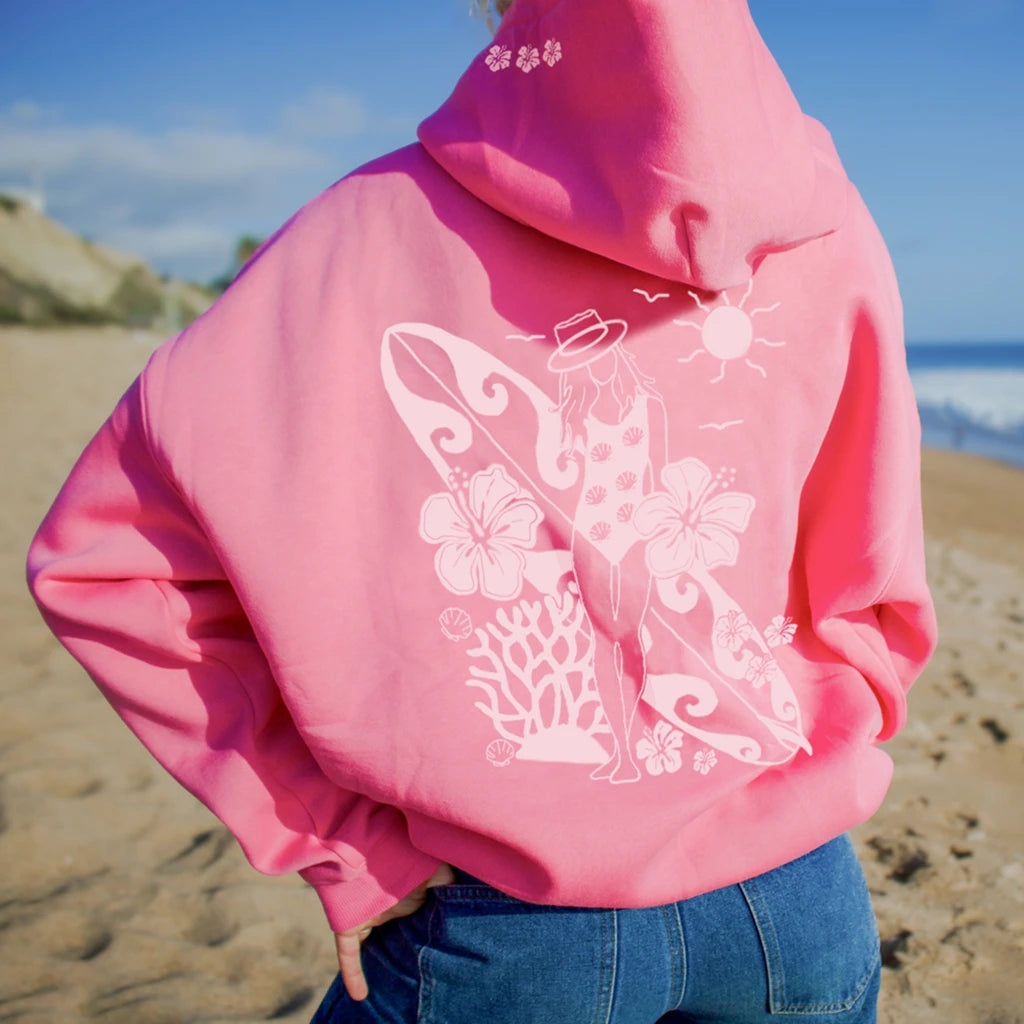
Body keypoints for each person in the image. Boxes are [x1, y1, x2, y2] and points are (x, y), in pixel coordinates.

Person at [26, 0, 937, 1021]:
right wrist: (823, 731)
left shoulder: (352, 232)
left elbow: (107, 562)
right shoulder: (826, 220)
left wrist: (336, 839)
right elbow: (878, 580)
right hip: (797, 894)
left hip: (508, 929)